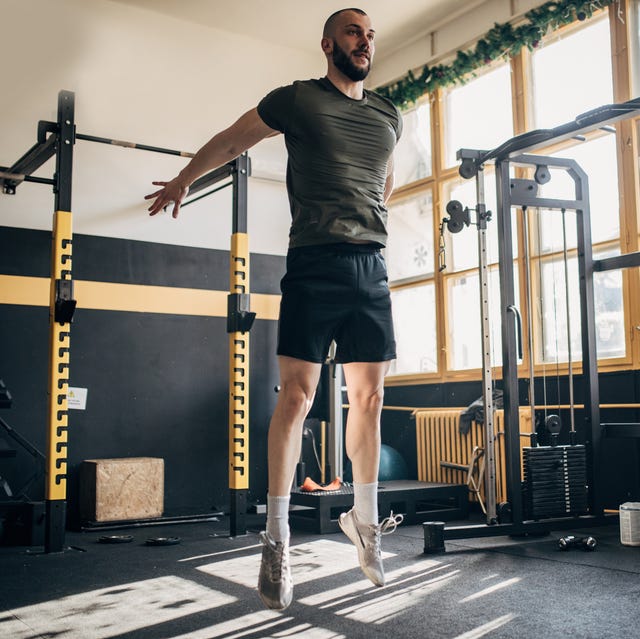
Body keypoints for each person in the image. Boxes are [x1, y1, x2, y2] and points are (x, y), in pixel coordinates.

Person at [146, 7, 404, 611]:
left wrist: (374, 216)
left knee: (370, 398)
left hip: (373, 267)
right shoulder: (297, 100)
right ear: (327, 44)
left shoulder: (390, 113)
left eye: (369, 35)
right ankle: (278, 538)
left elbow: (384, 180)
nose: (364, 42)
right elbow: (236, 138)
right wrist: (186, 177)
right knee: (298, 397)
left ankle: (363, 524)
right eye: (352, 32)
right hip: (315, 262)